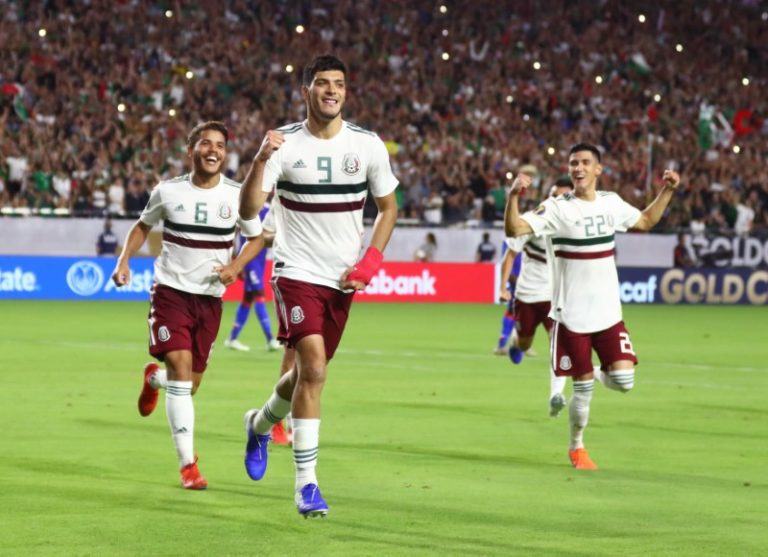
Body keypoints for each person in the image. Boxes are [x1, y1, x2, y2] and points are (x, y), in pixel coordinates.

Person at [238, 55, 398, 518]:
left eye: (339, 84)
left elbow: (388, 208)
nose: (332, 91)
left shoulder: (367, 145)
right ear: (305, 90)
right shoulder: (283, 144)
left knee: (307, 374)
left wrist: (371, 260)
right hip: (296, 271)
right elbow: (248, 210)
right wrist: (259, 160)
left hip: (342, 280)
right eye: (323, 83)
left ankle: (259, 424)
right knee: (314, 368)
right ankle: (306, 485)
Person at [504, 143, 681, 470]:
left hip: (608, 315)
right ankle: (577, 448)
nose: (579, 168)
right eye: (574, 163)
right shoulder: (555, 208)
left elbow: (645, 220)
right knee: (582, 388)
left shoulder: (610, 203)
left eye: (585, 162)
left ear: (598, 169)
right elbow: (515, 229)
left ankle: (593, 371)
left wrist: (667, 191)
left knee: (624, 381)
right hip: (571, 317)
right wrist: (512, 197)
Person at [111, 121, 264, 489]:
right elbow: (142, 226)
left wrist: (235, 266)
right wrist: (123, 260)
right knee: (181, 370)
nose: (213, 150)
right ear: (190, 150)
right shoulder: (167, 191)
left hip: (209, 300)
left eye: (220, 145)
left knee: (189, 385)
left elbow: (257, 239)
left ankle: (154, 379)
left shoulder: (237, 194)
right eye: (206, 144)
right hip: (171, 293)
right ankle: (188, 466)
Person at [504, 177, 574, 417]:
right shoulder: (535, 220)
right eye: (556, 196)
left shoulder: (576, 224)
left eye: (565, 196)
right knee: (525, 343)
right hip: (527, 294)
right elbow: (511, 253)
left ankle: (556, 395)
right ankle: (516, 342)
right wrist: (503, 286)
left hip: (555, 296)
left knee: (559, 343)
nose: (559, 200)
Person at [223, 201, 282, 353]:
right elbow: (237, 234)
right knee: (259, 295)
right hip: (250, 260)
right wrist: (238, 261)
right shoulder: (247, 207)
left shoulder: (269, 209)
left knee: (248, 299)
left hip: (260, 260)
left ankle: (232, 339)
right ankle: (270, 339)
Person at [494, 247, 522, 355]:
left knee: (514, 312)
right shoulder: (512, 243)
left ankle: (504, 343)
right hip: (520, 284)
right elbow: (507, 264)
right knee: (517, 313)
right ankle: (514, 344)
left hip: (523, 283)